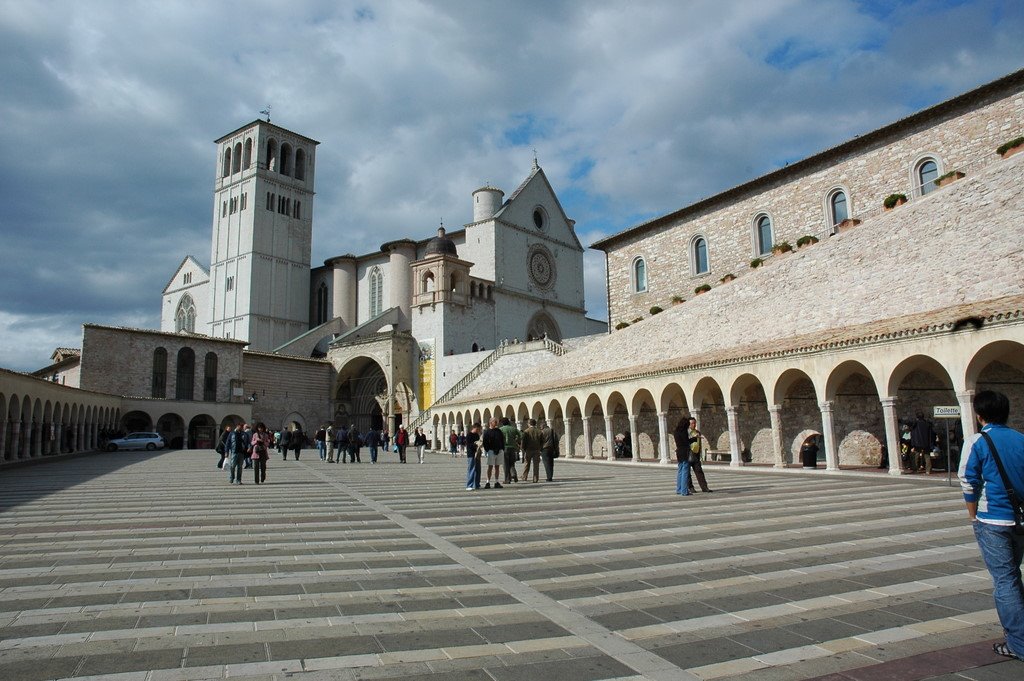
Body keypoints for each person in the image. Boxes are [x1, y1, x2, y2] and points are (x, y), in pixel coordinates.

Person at [958, 390, 1024, 661]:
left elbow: (967, 480)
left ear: (979, 415)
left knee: (1005, 581)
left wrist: (972, 514)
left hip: (993, 519)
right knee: (1014, 576)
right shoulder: (1021, 439)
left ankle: (1018, 644)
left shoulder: (977, 441)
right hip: (1020, 518)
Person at [686, 418, 712, 493]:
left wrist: (699, 454)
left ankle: (704, 487)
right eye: (692, 423)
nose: (694, 425)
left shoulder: (698, 432)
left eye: (694, 423)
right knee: (687, 473)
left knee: (699, 471)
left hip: (696, 454)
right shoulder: (687, 432)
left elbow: (699, 444)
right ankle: (690, 487)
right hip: (688, 453)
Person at [481, 419, 505, 488]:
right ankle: (488, 482)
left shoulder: (499, 431)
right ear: (490, 423)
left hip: (499, 450)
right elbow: (485, 442)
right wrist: (487, 450)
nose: (496, 422)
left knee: (497, 467)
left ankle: (496, 482)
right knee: (490, 466)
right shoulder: (487, 432)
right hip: (491, 451)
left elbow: (502, 440)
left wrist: (502, 448)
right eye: (495, 421)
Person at [520, 419, 544, 483]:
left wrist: (523, 449)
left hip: (528, 450)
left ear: (529, 424)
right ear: (535, 424)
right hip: (536, 450)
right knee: (536, 465)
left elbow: (523, 441)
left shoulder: (526, 431)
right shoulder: (539, 431)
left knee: (527, 464)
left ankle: (524, 477)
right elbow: (542, 441)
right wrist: (540, 448)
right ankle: (535, 478)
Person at [672, 419, 692, 496]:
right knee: (685, 471)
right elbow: (686, 442)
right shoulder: (683, 432)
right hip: (684, 452)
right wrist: (694, 438)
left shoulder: (676, 432)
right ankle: (684, 491)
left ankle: (679, 489)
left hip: (679, 452)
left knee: (680, 470)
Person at [500, 418, 521, 483]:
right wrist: (517, 440)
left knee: (505, 464)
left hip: (505, 447)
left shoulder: (501, 429)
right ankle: (514, 474)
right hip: (513, 447)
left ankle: (507, 479)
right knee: (512, 463)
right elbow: (521, 435)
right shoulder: (513, 428)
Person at [465, 423, 482, 490]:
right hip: (471, 454)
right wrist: (476, 444)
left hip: (477, 454)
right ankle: (469, 485)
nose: (479, 430)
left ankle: (477, 484)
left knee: (478, 469)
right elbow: (469, 445)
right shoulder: (469, 435)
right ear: (475, 428)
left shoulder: (477, 435)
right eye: (478, 429)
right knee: (471, 469)